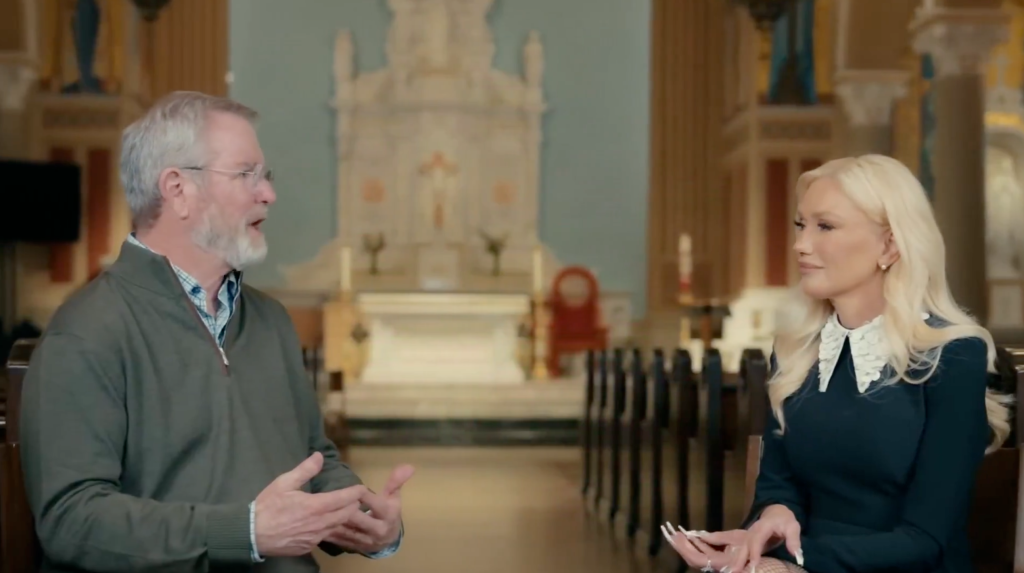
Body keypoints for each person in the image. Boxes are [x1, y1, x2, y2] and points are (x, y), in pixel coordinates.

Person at [20, 91, 411, 572]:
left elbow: (314, 459)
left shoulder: (270, 321)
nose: (267, 193)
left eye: (265, 175)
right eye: (245, 173)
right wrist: (244, 532)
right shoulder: (87, 331)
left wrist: (363, 515)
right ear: (178, 189)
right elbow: (71, 520)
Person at [664, 155, 1012, 573]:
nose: (800, 244)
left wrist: (792, 565)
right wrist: (774, 520)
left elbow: (927, 539)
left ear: (890, 244)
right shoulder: (795, 350)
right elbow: (779, 484)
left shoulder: (955, 354)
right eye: (800, 224)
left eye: (824, 226)